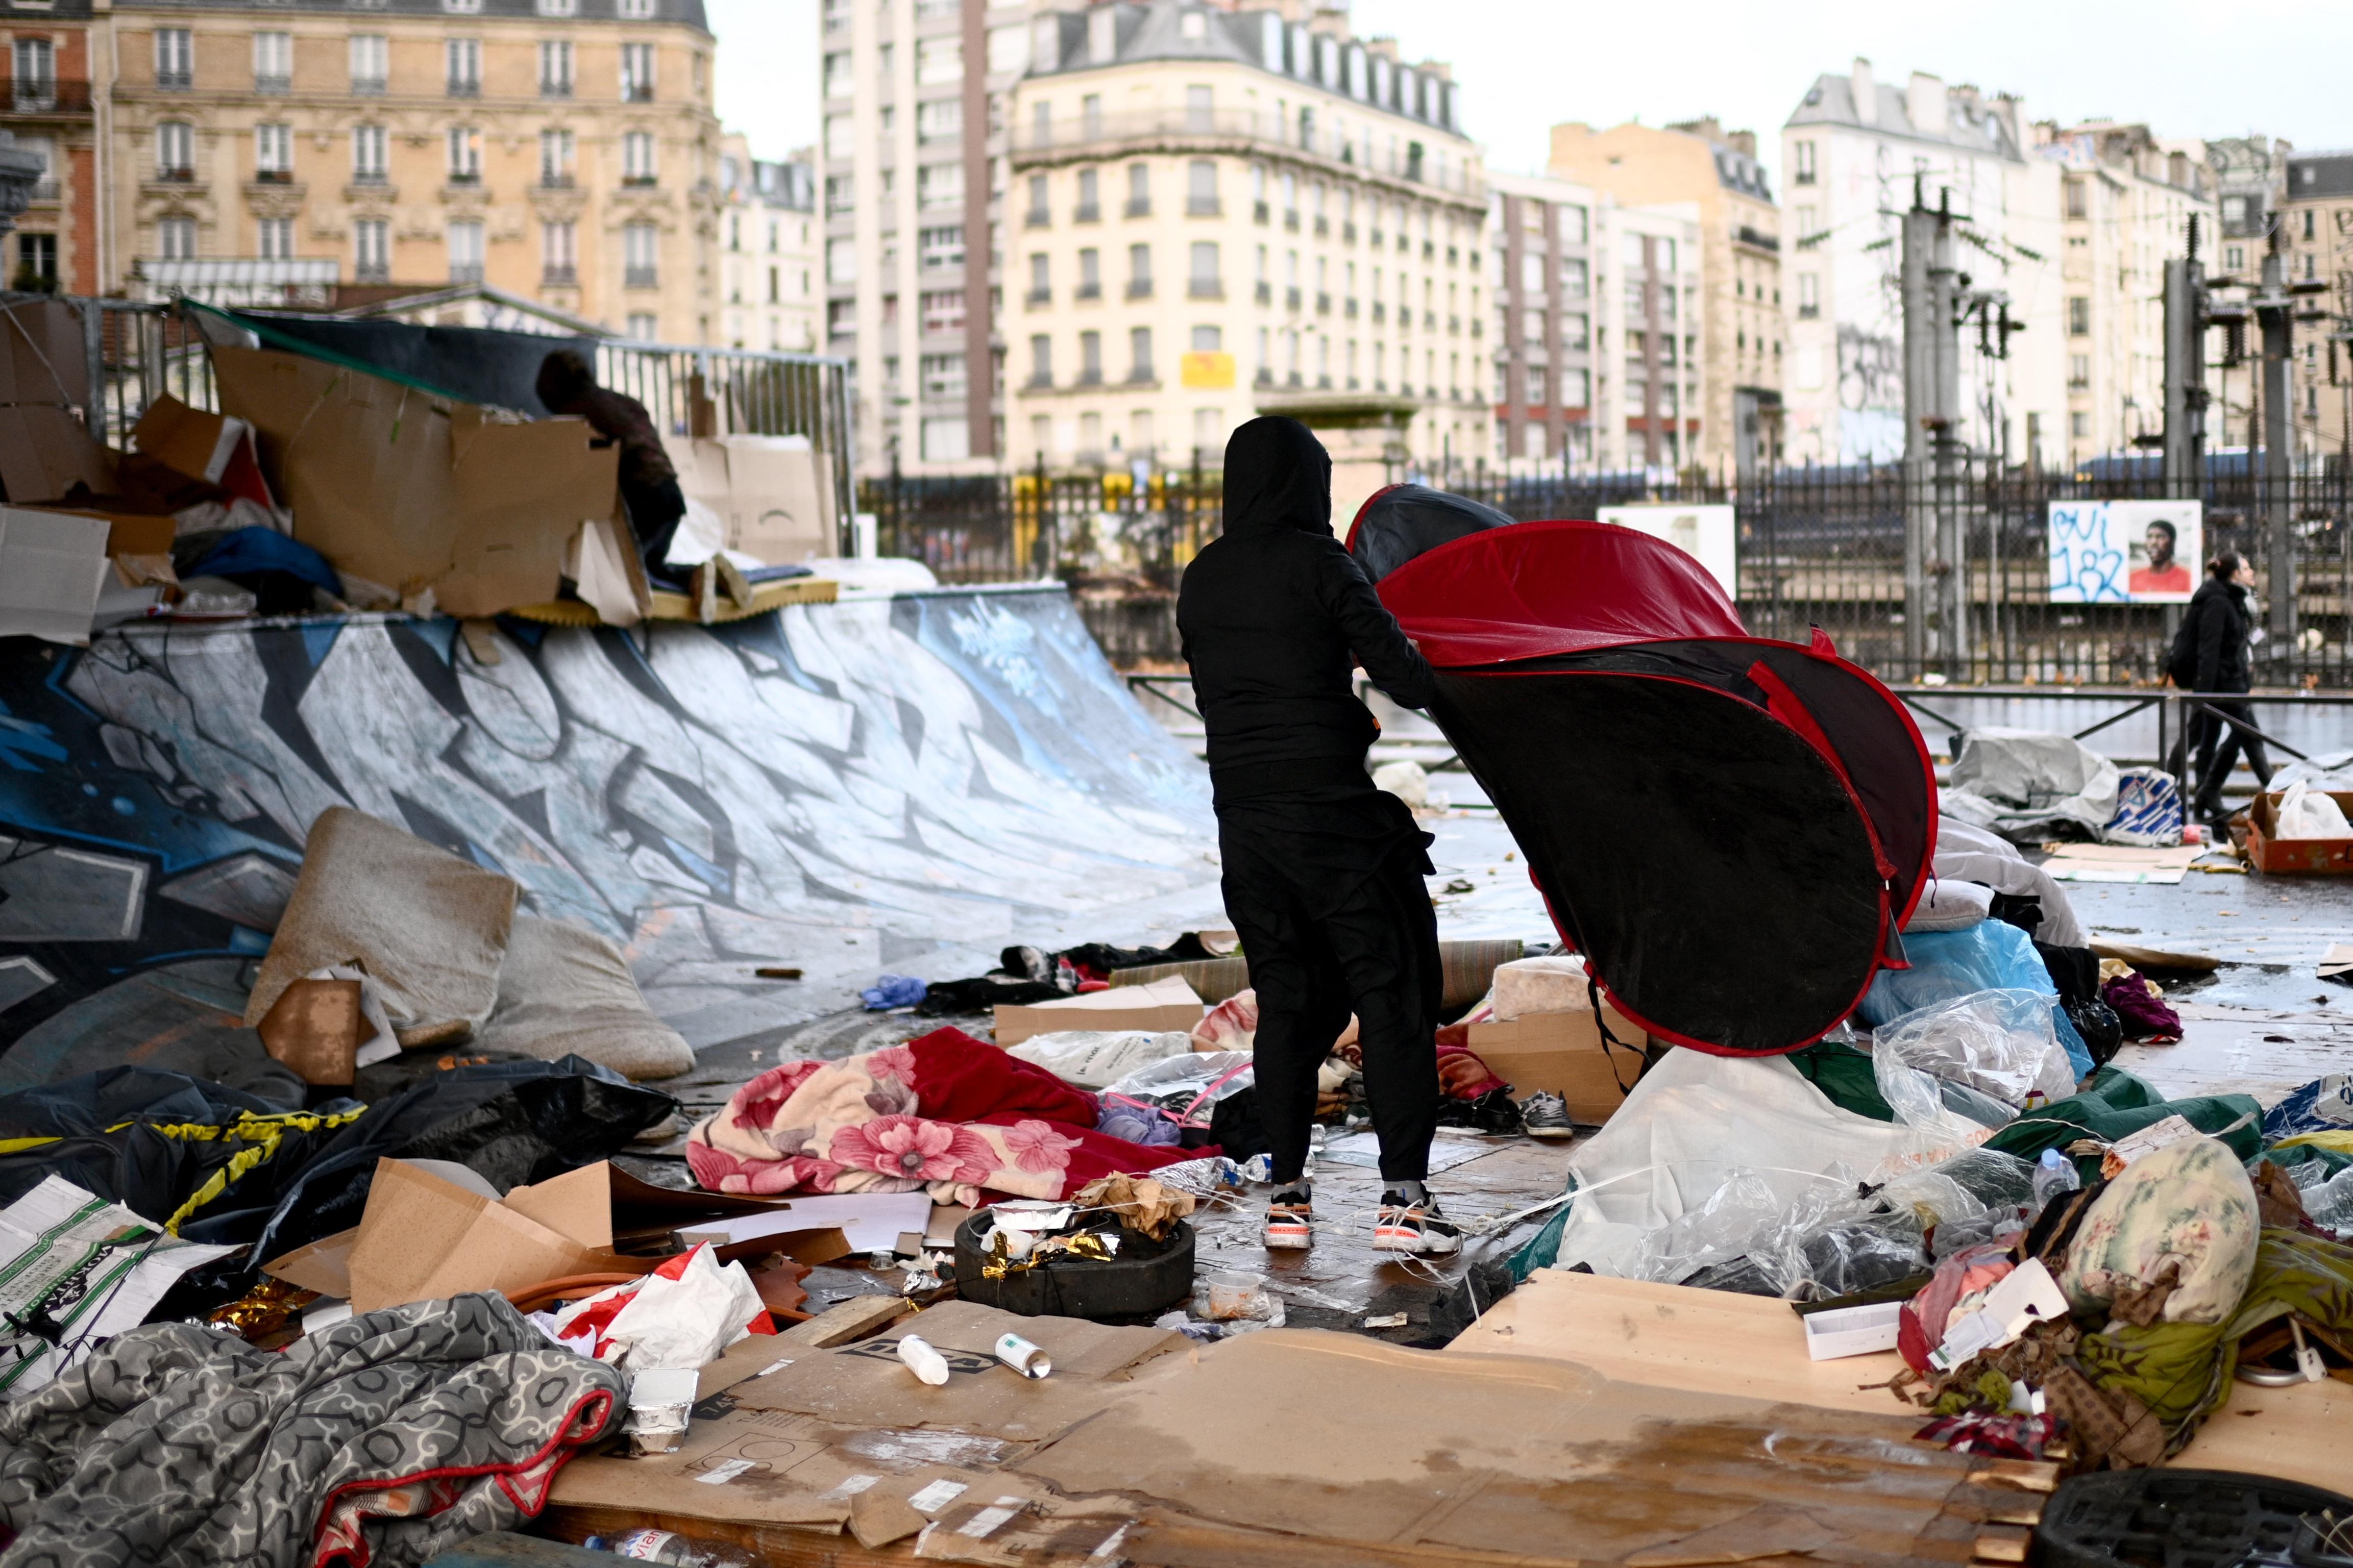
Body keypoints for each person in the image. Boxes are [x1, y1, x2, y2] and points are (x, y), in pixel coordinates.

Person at [1176, 416, 1456, 1257]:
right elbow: (1402, 672)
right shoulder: (1321, 563)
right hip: (1337, 825)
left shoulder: (1202, 578)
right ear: (1309, 484)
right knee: (1395, 990)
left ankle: (1287, 1196)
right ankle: (1404, 1200)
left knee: (1290, 1005)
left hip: (1247, 834)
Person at [534, 349, 686, 582]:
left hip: (641, 502)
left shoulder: (574, 414)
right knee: (648, 573)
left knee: (619, 581)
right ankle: (699, 576)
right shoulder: (621, 401)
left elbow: (569, 478)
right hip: (670, 496)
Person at [2168, 551, 2273, 824]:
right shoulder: (2217, 601)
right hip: (2221, 687)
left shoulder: (2231, 599)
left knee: (2209, 739)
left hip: (2229, 684)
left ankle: (2205, 794)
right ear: (2235, 574)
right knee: (2247, 736)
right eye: (2248, 568)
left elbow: (2235, 649)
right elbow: (2209, 649)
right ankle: (2275, 794)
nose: (2252, 573)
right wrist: (2205, 693)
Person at [2128, 517, 2191, 596]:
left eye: (2161, 537)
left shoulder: (2188, 579)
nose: (2154, 542)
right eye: (2149, 537)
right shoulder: (2132, 579)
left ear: (2173, 543)